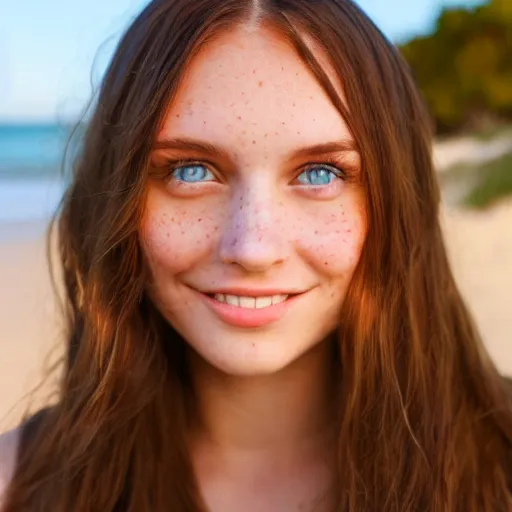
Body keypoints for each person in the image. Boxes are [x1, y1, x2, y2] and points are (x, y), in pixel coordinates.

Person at [1, 0, 512, 510]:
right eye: (190, 170)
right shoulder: (15, 487)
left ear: (399, 201)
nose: (252, 247)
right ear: (117, 196)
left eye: (321, 174)